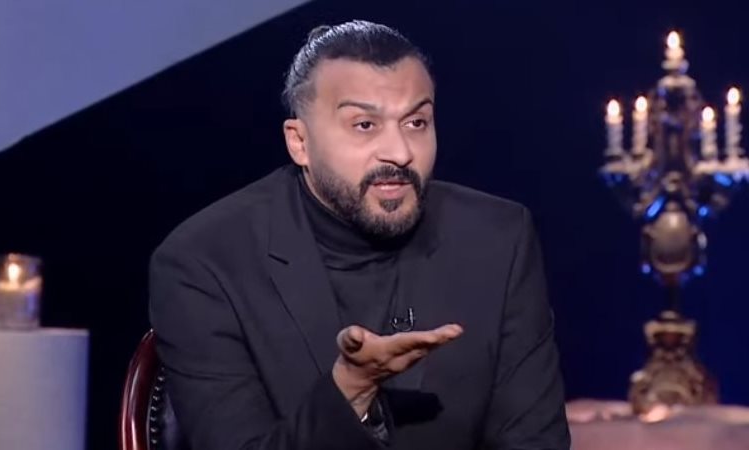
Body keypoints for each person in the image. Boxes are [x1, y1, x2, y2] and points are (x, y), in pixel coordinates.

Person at [149, 20, 570, 450]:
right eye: (365, 125)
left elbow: (534, 441)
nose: (400, 153)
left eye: (416, 122)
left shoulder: (498, 238)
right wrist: (352, 387)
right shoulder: (205, 262)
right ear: (299, 142)